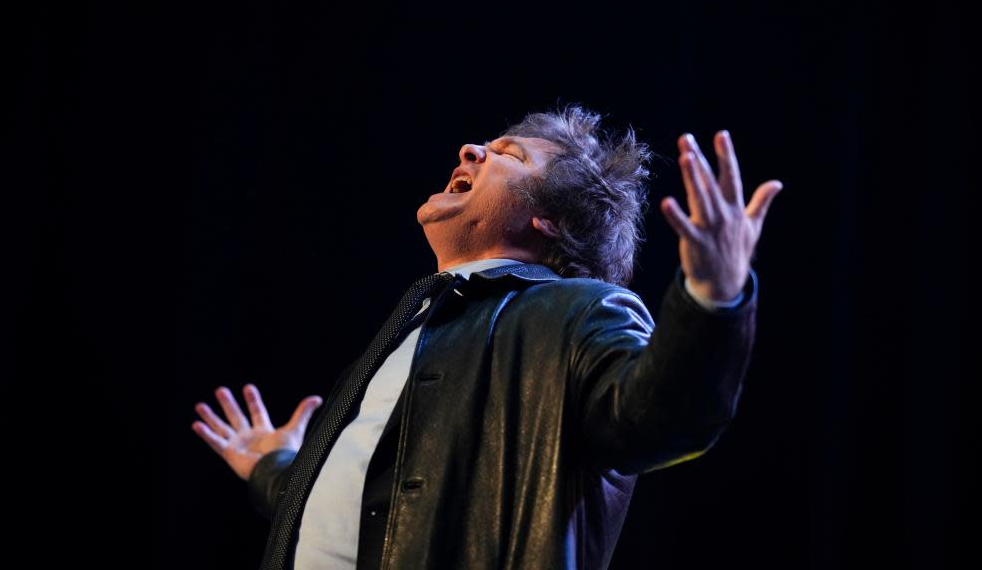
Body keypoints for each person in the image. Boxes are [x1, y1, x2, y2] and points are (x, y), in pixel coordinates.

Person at [191, 104, 782, 569]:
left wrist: (713, 296)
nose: (470, 149)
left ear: (548, 219)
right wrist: (275, 468)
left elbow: (661, 416)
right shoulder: (420, 322)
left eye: (508, 155)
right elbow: (384, 502)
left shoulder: (580, 313)